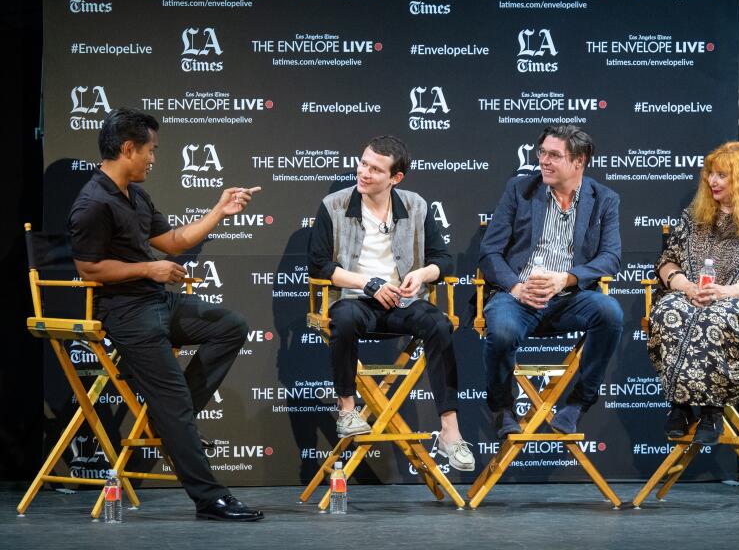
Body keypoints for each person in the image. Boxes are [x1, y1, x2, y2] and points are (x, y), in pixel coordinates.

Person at [68, 108, 264, 521]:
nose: (154, 159)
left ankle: (169, 420)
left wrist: (218, 211)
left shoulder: (136, 194)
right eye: (150, 151)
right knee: (173, 400)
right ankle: (210, 498)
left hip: (156, 301)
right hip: (124, 313)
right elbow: (88, 269)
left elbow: (173, 243)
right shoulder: (92, 203)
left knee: (232, 327)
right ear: (128, 149)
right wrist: (147, 268)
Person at [307, 135, 475, 471]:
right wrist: (367, 284)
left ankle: (450, 431)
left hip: (404, 303)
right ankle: (346, 409)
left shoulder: (415, 205)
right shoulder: (335, 205)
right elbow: (319, 264)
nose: (364, 172)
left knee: (440, 324)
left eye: (375, 169)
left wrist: (423, 274)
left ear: (395, 178)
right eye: (363, 163)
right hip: (356, 300)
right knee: (345, 319)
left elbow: (444, 260)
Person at [479, 125, 623, 439]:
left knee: (610, 313)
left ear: (579, 161)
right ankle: (503, 408)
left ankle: (577, 404)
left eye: (554, 155)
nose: (544, 160)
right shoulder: (519, 189)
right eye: (542, 152)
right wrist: (516, 287)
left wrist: (567, 279)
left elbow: (610, 256)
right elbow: (490, 251)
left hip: (570, 297)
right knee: (502, 332)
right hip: (517, 295)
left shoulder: (604, 199)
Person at [648, 141, 739, 445]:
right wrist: (686, 286)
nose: (713, 181)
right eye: (711, 174)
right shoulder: (695, 215)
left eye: (722, 175)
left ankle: (713, 411)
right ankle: (682, 406)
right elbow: (667, 262)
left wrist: (726, 292)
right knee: (669, 312)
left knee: (714, 317)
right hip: (692, 294)